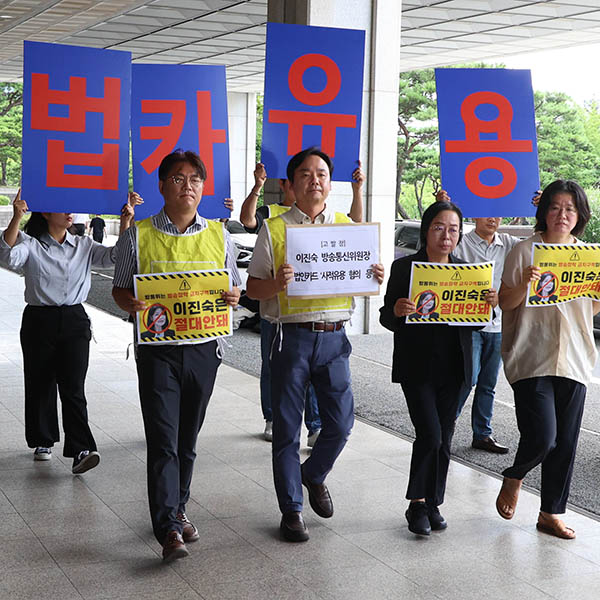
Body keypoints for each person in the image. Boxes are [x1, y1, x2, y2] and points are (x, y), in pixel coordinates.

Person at [246, 148, 384, 543]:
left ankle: (313, 475)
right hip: (290, 337)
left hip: (334, 337)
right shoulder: (274, 229)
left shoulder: (347, 226)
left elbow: (362, 275)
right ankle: (291, 510)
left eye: (321, 173)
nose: (314, 180)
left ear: (330, 181)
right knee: (288, 429)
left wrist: (373, 273)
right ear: (290, 184)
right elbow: (253, 288)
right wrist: (276, 285)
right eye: (305, 174)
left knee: (340, 424)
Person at [112, 149, 241, 562]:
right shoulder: (138, 234)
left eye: (195, 180)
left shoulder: (220, 235)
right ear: (162, 185)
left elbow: (234, 290)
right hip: (158, 351)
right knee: (164, 439)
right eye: (179, 179)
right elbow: (118, 287)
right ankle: (169, 526)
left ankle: (179, 507)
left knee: (187, 439)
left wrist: (234, 296)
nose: (189, 187)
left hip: (205, 349)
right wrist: (128, 303)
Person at [379, 201, 496, 536]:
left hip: (455, 369)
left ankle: (433, 503)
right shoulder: (405, 269)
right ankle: (416, 503)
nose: (447, 235)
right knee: (429, 434)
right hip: (417, 367)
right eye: (439, 227)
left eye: (454, 229)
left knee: (444, 438)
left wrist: (487, 306)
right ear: (427, 231)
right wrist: (398, 311)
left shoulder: (467, 271)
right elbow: (386, 317)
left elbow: (476, 324)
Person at [0, 190, 138, 473]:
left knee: (73, 385)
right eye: (61, 208)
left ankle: (81, 449)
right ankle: (43, 439)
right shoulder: (30, 243)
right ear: (45, 214)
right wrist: (16, 217)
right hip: (39, 319)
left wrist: (125, 222)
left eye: (70, 208)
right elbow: (8, 259)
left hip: (75, 319)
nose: (69, 212)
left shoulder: (83, 245)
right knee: (40, 382)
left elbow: (116, 257)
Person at [495, 180, 599, 540]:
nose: (562, 215)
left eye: (570, 209)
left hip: (574, 357)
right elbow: (505, 302)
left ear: (579, 216)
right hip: (531, 356)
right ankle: (516, 474)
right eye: (555, 207)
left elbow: (591, 307)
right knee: (543, 435)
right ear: (544, 212)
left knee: (566, 442)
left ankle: (551, 513)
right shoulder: (524, 251)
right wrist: (525, 283)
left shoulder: (587, 255)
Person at [436, 189, 519, 454]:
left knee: (488, 384)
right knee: (466, 379)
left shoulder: (508, 243)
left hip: (496, 325)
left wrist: (542, 208)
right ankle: (444, 428)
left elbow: (541, 243)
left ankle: (482, 434)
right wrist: (443, 206)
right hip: (466, 325)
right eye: (486, 212)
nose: (492, 218)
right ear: (474, 214)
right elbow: (438, 251)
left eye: (497, 213)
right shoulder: (461, 241)